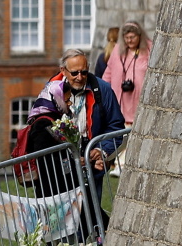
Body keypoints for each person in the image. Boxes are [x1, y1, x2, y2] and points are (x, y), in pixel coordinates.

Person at [28, 47, 126, 200]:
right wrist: (66, 158)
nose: (80, 77)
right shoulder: (51, 90)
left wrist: (102, 151)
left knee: (90, 214)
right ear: (63, 70)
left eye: (84, 72)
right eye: (74, 73)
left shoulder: (103, 89)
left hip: (91, 163)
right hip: (60, 172)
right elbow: (41, 130)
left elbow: (116, 126)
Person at [107, 21, 151, 126]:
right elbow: (109, 71)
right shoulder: (118, 50)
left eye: (132, 37)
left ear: (139, 36)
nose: (129, 41)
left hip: (141, 101)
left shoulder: (149, 49)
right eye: (126, 38)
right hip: (122, 101)